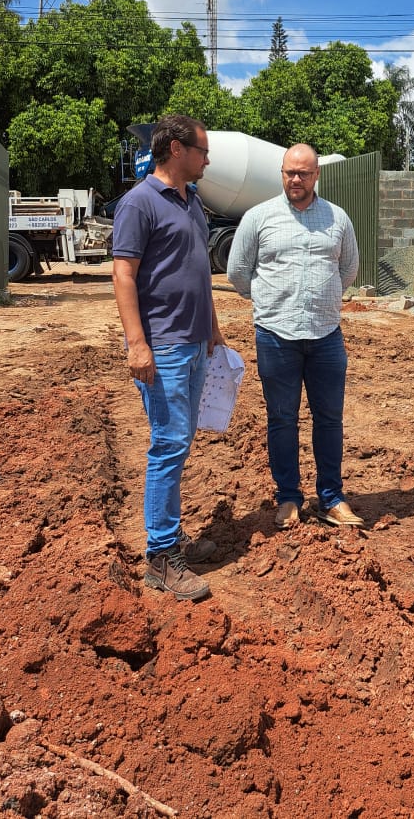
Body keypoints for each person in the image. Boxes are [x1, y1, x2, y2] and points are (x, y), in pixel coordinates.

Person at [112, 114, 224, 601]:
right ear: (176, 150)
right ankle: (160, 558)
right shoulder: (139, 202)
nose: (206, 159)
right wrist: (138, 344)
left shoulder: (193, 201)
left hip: (195, 342)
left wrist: (214, 329)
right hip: (165, 347)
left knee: (178, 443)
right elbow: (123, 276)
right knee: (168, 445)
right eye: (201, 151)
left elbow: (196, 270)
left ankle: (171, 542)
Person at [226, 143, 364, 529]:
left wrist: (322, 299)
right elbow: (238, 271)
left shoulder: (337, 219)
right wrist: (271, 298)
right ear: (281, 173)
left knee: (329, 419)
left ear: (317, 174)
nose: (296, 179)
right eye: (290, 173)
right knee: (282, 419)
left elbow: (349, 268)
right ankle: (288, 497)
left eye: (304, 173)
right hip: (275, 335)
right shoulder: (258, 218)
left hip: (326, 337)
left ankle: (332, 498)